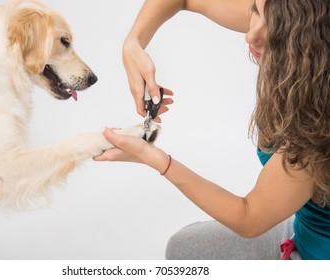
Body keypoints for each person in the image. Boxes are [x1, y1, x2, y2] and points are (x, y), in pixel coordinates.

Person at [94, 0, 330, 260]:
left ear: (311, 42)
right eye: (254, 9)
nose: (250, 34)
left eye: (274, 27)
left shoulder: (321, 125)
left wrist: (156, 159)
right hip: (302, 227)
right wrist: (133, 43)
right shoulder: (286, 14)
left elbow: (249, 217)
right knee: (183, 247)